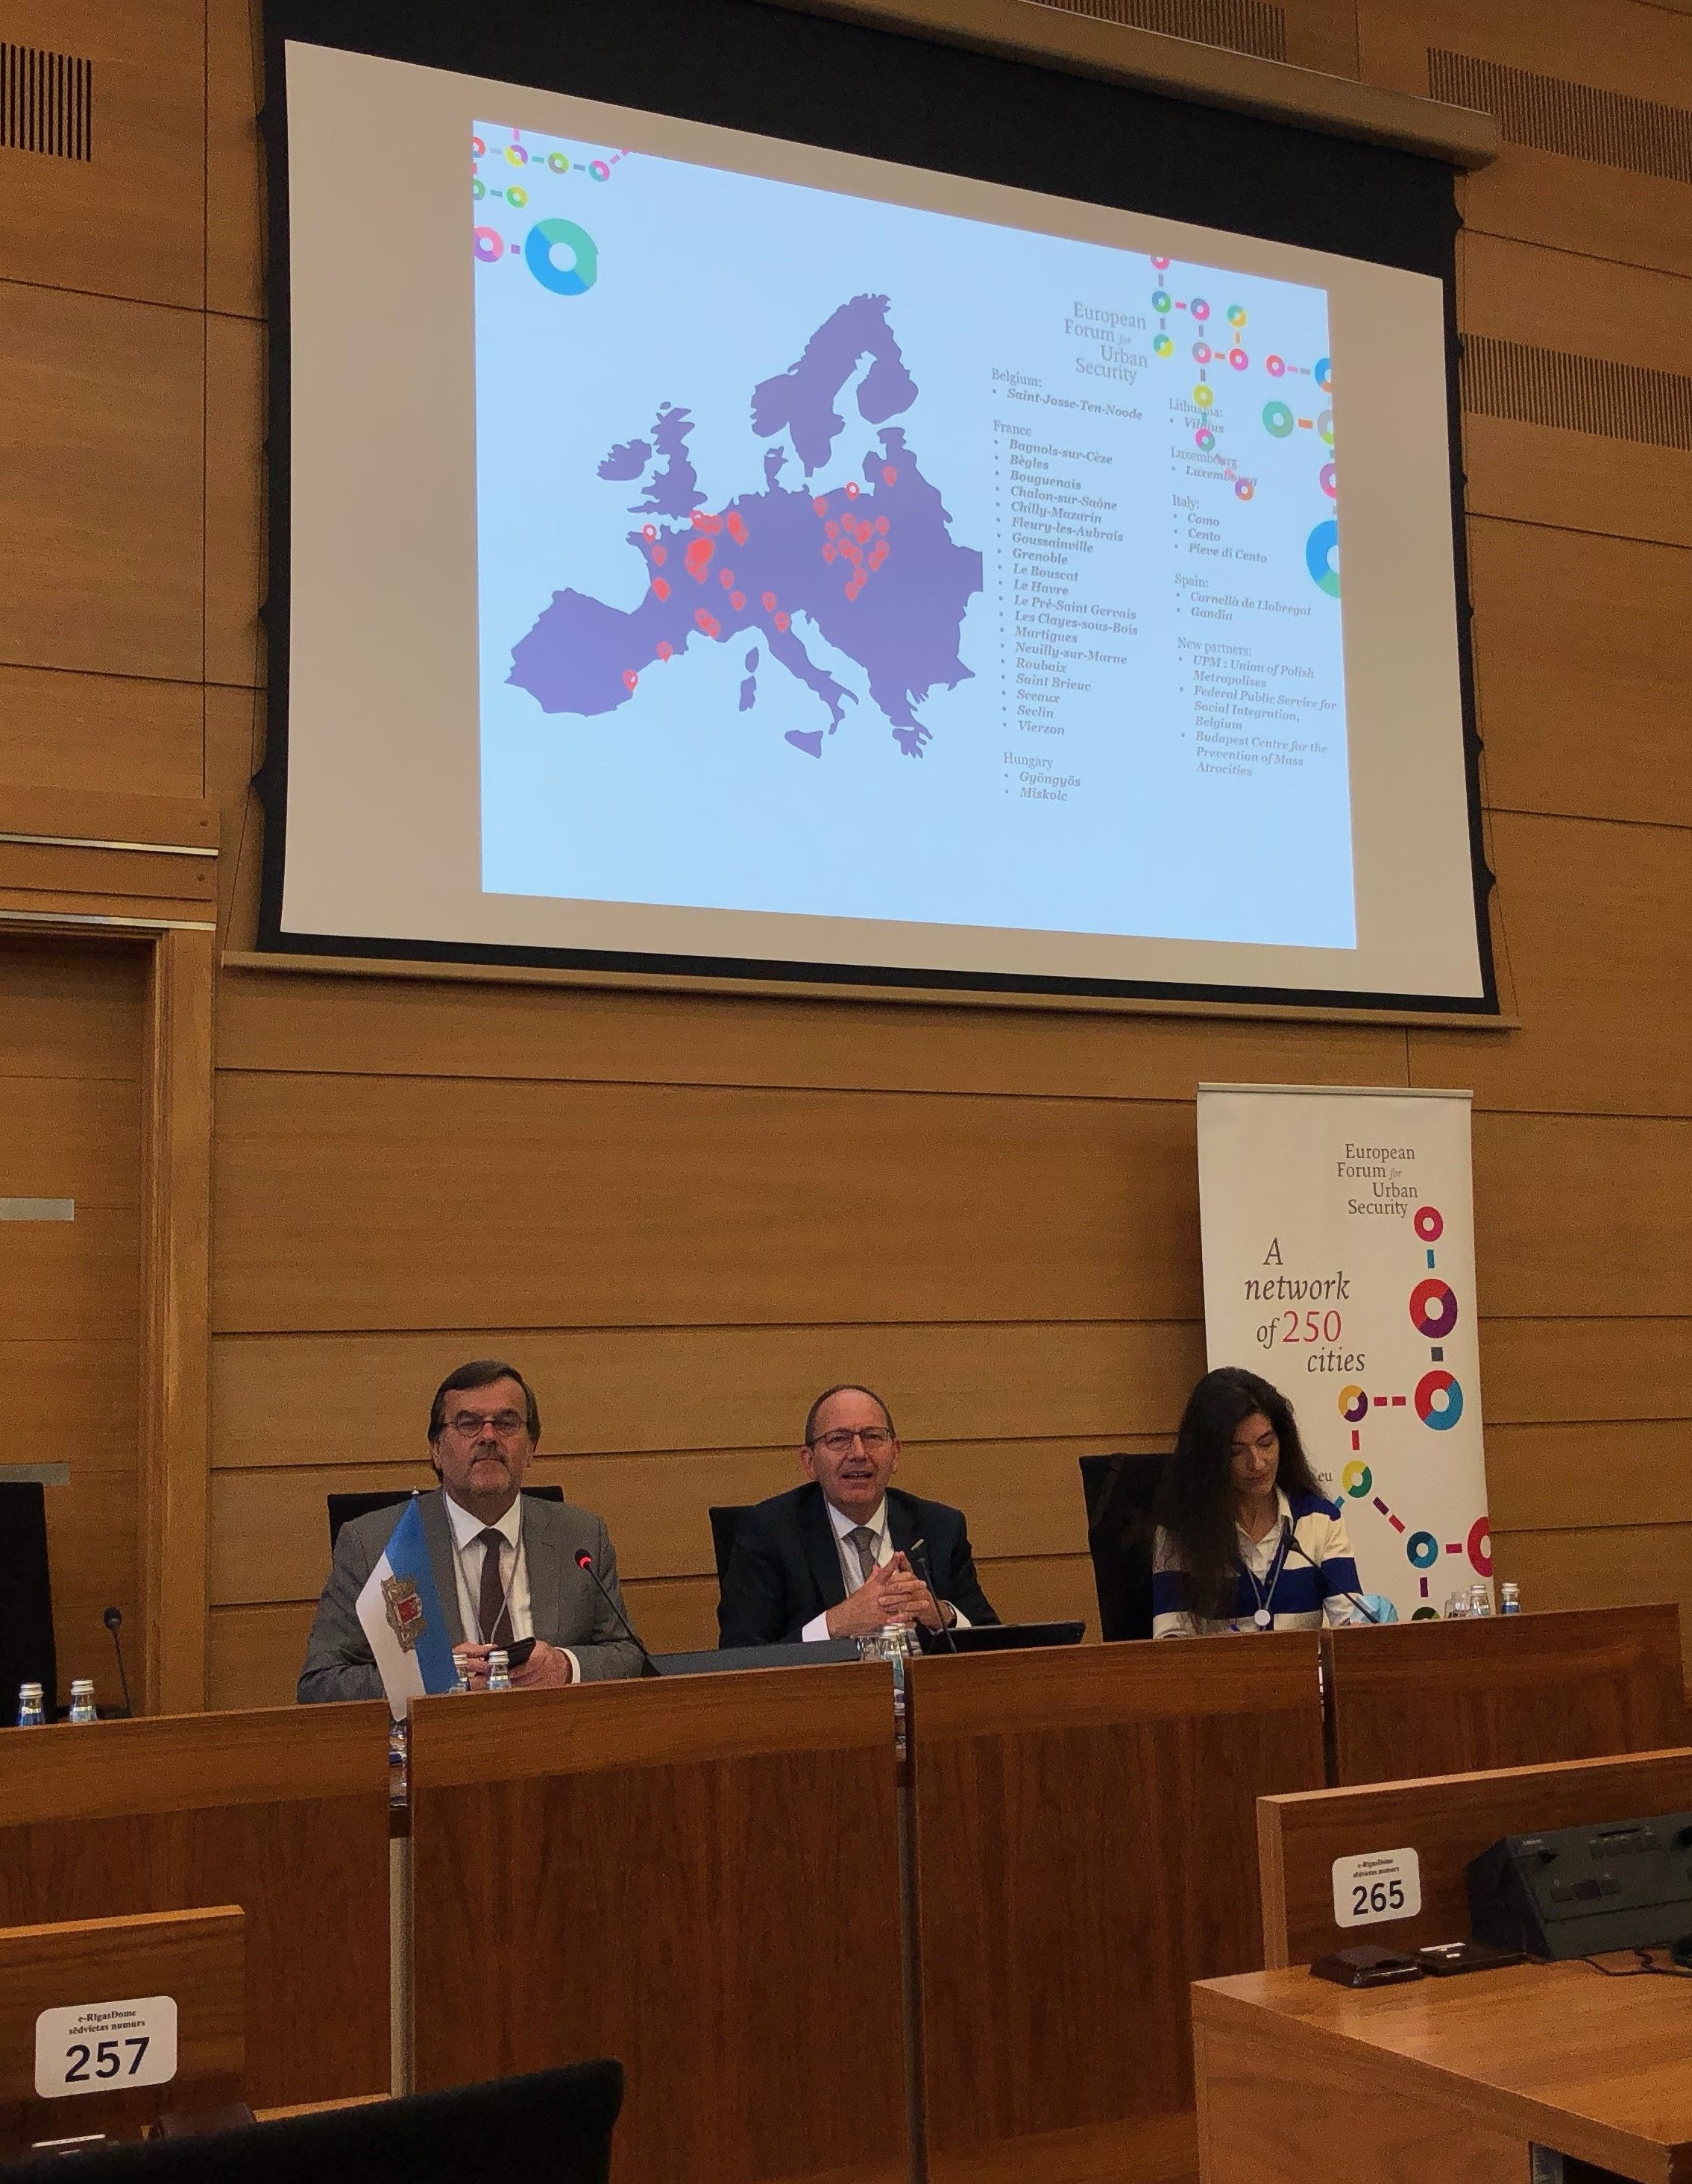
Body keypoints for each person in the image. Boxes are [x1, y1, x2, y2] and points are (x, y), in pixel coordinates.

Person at [298, 1360, 645, 1701]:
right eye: (468, 1423)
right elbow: (320, 1683)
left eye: (506, 1423)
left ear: (531, 1449)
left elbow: (628, 1655)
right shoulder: (373, 1544)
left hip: (554, 1732)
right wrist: (434, 1679)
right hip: (438, 1737)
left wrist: (566, 1667)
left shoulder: (581, 1536)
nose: (489, 1436)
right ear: (436, 1450)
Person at [717, 1383, 999, 1646]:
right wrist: (836, 1624)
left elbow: (994, 1641)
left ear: (896, 1454)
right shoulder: (767, 1533)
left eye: (872, 1436)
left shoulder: (940, 1527)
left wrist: (942, 1616)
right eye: (838, 1439)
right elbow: (741, 1656)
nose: (859, 1453)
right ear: (809, 1462)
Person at [1151, 1367, 1362, 1638]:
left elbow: (1350, 1627)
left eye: (1265, 1443)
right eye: (1236, 1452)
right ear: (1208, 1458)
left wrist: (1365, 1628)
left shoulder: (1320, 1519)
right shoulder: (1180, 1531)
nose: (1257, 1463)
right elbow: (1170, 1640)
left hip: (1303, 1667)